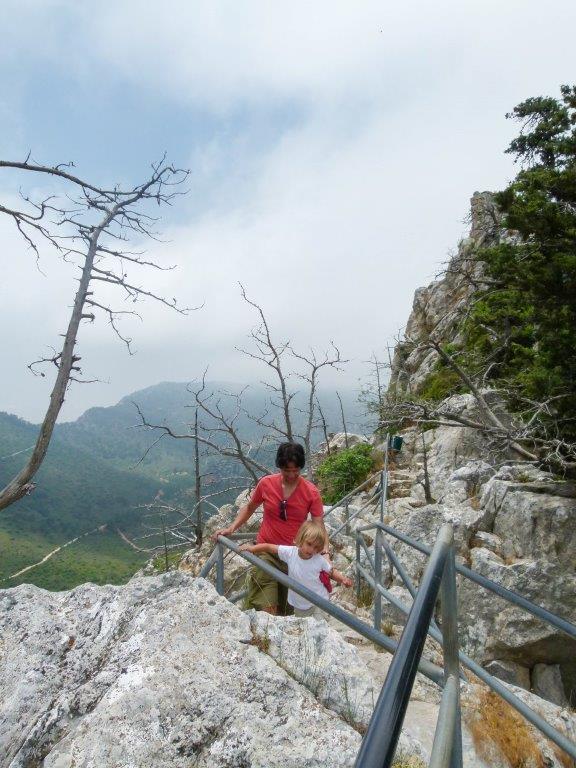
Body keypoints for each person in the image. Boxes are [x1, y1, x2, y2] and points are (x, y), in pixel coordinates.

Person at [213, 442, 330, 615]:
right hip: (266, 551)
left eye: (296, 470)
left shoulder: (310, 492)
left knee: (286, 608)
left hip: (294, 556)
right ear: (279, 467)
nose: (291, 474)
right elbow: (250, 507)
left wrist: (325, 554)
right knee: (268, 605)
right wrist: (232, 528)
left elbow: (319, 525)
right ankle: (264, 638)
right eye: (286, 470)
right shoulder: (266, 484)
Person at [240, 520, 353, 617]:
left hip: (319, 601)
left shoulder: (318, 559)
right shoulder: (290, 553)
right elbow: (269, 547)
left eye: (316, 547)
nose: (311, 550)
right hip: (299, 603)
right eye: (309, 544)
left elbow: (331, 572)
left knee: (318, 626)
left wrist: (343, 579)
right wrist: (252, 549)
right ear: (300, 540)